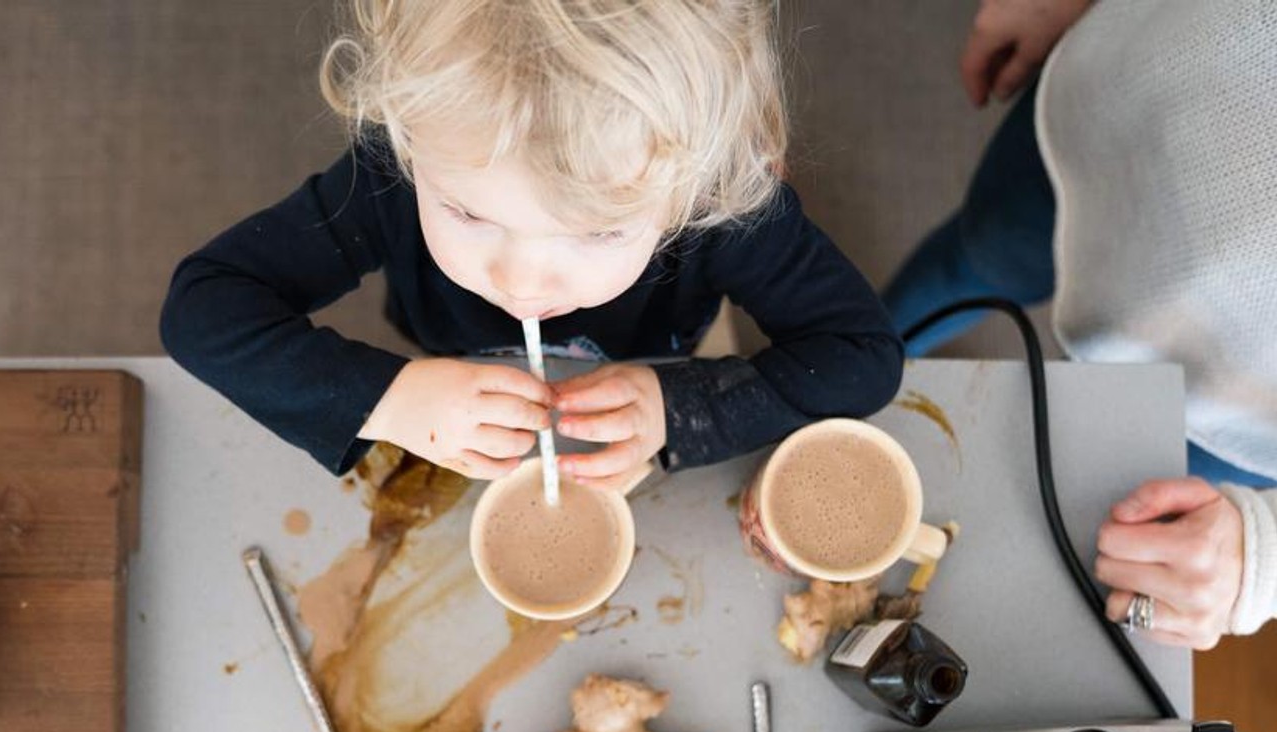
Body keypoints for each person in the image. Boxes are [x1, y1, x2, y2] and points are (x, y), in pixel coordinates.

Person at [159, 0, 901, 493]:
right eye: (467, 212)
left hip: (651, 352)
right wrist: (391, 399)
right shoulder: (393, 171)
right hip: (447, 351)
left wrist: (681, 410)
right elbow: (205, 309)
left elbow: (860, 357)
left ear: (694, 190)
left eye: (599, 232)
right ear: (409, 141)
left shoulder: (717, 203)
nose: (521, 282)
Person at [882, 0, 1277, 650]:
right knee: (975, 256)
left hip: (1234, 417)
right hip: (1135, 103)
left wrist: (1262, 557)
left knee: (1053, 536)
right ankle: (865, 359)